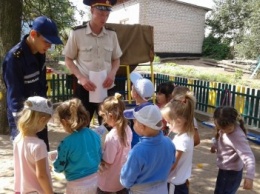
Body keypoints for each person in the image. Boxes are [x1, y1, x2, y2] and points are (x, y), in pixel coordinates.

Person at [2, 16, 63, 151]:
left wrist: (46, 112)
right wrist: (24, 127)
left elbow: (41, 86)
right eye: (47, 42)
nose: (49, 46)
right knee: (27, 161)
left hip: (40, 116)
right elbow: (15, 98)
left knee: (42, 156)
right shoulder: (14, 59)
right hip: (23, 120)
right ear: (33, 34)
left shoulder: (40, 53)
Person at [63, 0, 122, 125]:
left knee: (109, 127)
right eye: (100, 13)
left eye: (107, 15)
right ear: (91, 10)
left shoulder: (112, 35)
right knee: (80, 126)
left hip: (106, 88)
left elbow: (116, 59)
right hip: (85, 89)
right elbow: (68, 59)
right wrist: (81, 78)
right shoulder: (77, 33)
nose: (104, 18)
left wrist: (112, 74)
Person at [121, 103, 176, 194]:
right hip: (162, 190)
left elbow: (126, 181)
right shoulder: (169, 143)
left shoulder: (137, 151)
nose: (133, 124)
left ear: (142, 126)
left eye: (134, 122)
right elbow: (171, 164)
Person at [53, 98, 102, 194]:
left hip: (76, 185)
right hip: (95, 181)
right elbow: (99, 155)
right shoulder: (95, 135)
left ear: (64, 122)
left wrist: (53, 166)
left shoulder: (66, 143)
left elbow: (59, 167)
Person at [13, 96, 54, 194]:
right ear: (41, 120)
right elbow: (41, 176)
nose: (44, 126)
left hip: (22, 190)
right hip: (37, 191)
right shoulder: (39, 145)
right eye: (45, 123)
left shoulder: (17, 139)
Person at [210, 106, 255, 194]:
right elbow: (219, 136)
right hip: (224, 169)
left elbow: (248, 156)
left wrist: (250, 176)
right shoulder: (223, 128)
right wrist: (214, 146)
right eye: (220, 128)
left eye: (228, 129)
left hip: (232, 173)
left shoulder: (238, 136)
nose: (223, 131)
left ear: (233, 122)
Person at [161, 92, 196, 194]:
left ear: (179, 121)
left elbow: (172, 164)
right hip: (178, 183)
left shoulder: (182, 141)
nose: (167, 124)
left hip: (174, 185)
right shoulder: (184, 134)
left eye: (168, 122)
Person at [97, 93, 132, 194]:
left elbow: (108, 161)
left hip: (108, 181)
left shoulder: (112, 136)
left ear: (111, 116)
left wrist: (99, 152)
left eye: (104, 116)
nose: (104, 120)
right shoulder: (127, 129)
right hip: (121, 178)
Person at [128, 71, 155, 148]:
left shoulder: (137, 111)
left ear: (135, 94)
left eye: (132, 89)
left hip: (137, 143)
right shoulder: (153, 108)